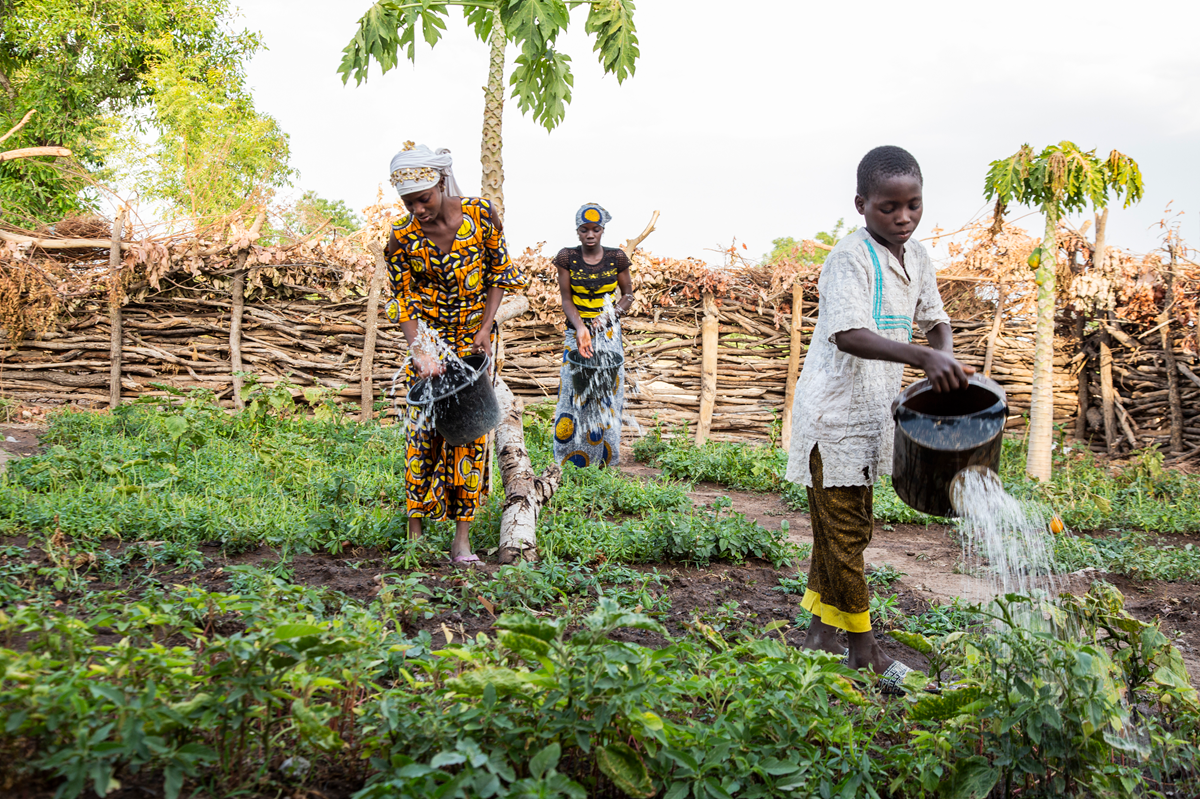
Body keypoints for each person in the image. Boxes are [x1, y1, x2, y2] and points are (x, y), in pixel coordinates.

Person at [784, 145, 974, 693]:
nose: (903, 217)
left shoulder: (918, 258)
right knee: (846, 533)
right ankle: (864, 651)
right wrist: (922, 359)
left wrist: (944, 357)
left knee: (843, 531)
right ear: (861, 204)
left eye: (913, 205)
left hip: (872, 416)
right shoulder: (849, 257)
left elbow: (936, 320)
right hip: (834, 418)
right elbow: (848, 334)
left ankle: (820, 638)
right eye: (889, 207)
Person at [383, 142, 528, 564]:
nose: (418, 210)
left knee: (470, 438)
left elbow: (498, 274)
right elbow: (403, 300)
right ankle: (414, 534)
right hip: (429, 346)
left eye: (423, 199)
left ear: (441, 182)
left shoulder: (482, 216)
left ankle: (460, 541)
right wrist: (418, 351)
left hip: (471, 344)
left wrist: (485, 328)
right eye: (409, 203)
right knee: (423, 436)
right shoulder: (402, 238)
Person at [551, 203, 635, 468]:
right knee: (572, 391)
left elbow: (628, 296)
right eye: (584, 229)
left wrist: (605, 319)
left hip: (608, 335)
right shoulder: (567, 257)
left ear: (602, 230)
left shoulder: (616, 258)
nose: (590, 235)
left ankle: (605, 463)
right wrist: (581, 328)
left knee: (607, 393)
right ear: (577, 231)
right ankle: (568, 461)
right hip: (576, 334)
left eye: (595, 229)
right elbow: (566, 299)